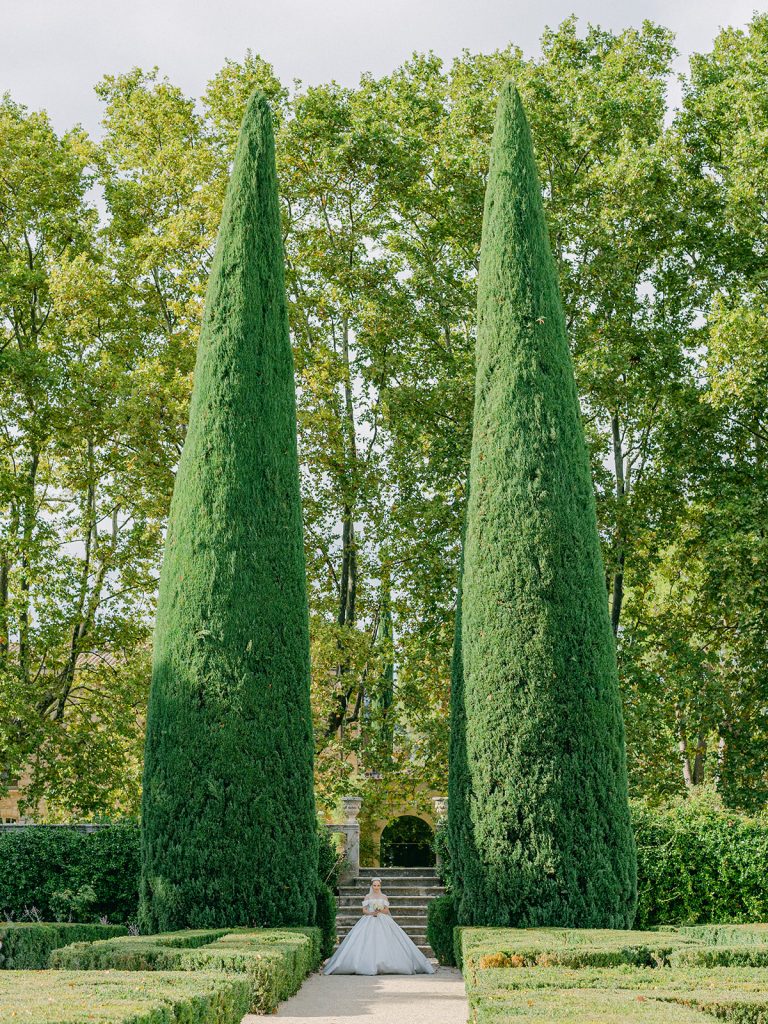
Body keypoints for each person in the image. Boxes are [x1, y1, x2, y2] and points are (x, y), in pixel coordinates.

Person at [323, 877, 435, 975]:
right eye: (374, 885)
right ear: (372, 886)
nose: (376, 887)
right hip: (369, 919)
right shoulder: (367, 896)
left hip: (382, 919)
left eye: (378, 885)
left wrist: (380, 910)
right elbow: (364, 910)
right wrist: (372, 913)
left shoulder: (384, 897)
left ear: (380, 886)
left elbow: (387, 910)